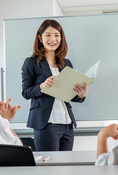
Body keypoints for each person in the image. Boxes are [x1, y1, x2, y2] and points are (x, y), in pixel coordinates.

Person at [21, 19, 87, 151]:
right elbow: (26, 92)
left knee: (66, 166)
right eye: (48, 35)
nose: (53, 39)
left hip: (67, 123)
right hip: (46, 123)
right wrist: (42, 86)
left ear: (61, 38)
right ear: (40, 38)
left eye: (57, 35)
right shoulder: (31, 62)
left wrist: (80, 95)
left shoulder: (66, 63)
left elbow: (68, 94)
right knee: (50, 166)